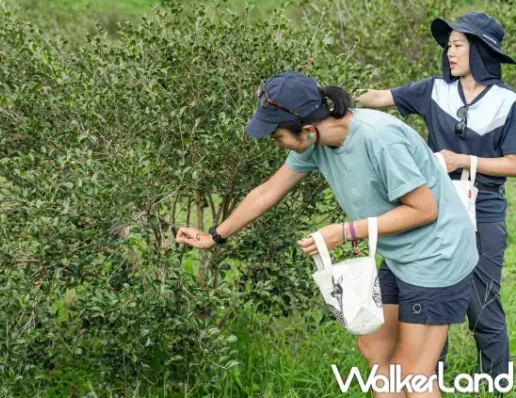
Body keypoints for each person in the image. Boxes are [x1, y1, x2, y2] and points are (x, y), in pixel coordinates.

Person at [176, 71, 478, 398]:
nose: (275, 143)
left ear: (307, 130)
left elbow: (424, 210)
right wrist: (213, 236)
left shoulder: (379, 138)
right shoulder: (315, 143)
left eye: (277, 136)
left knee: (412, 372)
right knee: (374, 348)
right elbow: (267, 192)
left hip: (438, 253)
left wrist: (345, 232)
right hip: (401, 255)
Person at [357, 11, 516, 378]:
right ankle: (426, 380)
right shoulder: (434, 89)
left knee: (482, 305)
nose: (450, 52)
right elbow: (379, 97)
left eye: (458, 45)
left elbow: (513, 163)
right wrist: (326, 95)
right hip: (432, 208)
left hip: (482, 211)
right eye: (448, 46)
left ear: (480, 50)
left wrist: (464, 160)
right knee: (424, 297)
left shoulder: (508, 102)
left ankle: (496, 383)